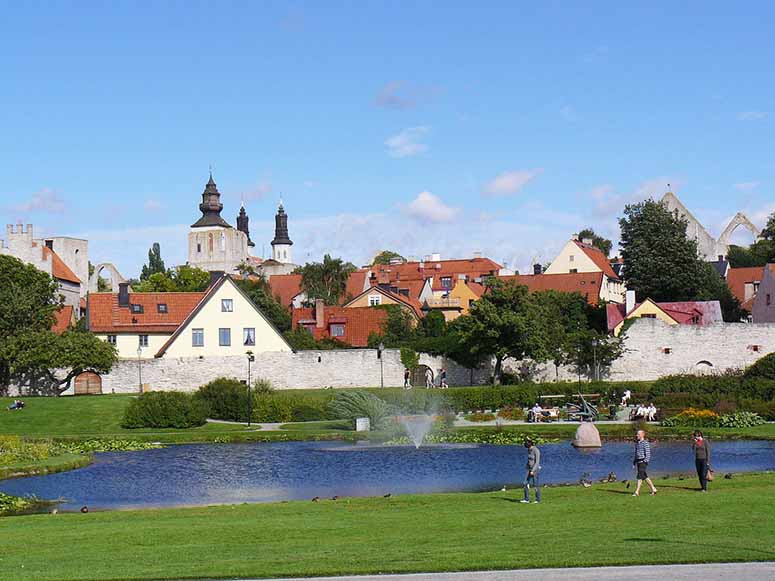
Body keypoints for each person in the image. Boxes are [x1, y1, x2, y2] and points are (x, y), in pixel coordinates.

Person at [632, 429, 657, 497]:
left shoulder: (645, 443)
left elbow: (648, 453)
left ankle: (637, 492)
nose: (636, 435)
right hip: (638, 462)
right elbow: (636, 453)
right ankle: (653, 489)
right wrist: (634, 462)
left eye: (638, 434)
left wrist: (645, 461)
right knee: (644, 477)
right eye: (637, 434)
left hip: (643, 462)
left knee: (639, 477)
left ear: (642, 435)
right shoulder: (637, 443)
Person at [520, 439, 541, 504]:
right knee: (525, 483)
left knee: (535, 485)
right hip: (529, 469)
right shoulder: (529, 450)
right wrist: (527, 467)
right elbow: (529, 460)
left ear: (530, 443)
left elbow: (537, 462)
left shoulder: (536, 450)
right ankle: (526, 499)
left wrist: (533, 470)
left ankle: (537, 499)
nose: (525, 444)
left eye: (526, 443)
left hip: (535, 470)